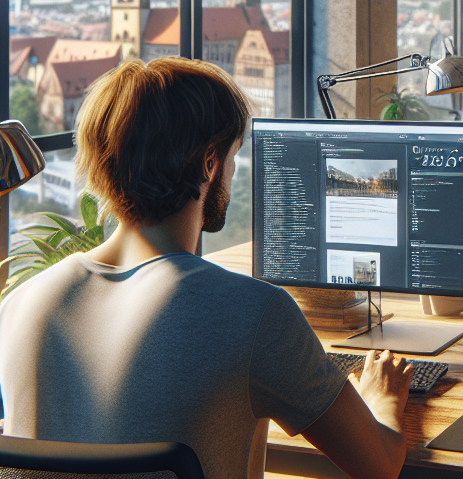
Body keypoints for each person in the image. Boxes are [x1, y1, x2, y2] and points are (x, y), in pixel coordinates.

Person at [0, 58, 412, 479]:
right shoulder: (254, 314)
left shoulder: (19, 305)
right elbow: (378, 464)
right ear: (209, 164)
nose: (232, 172)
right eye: (233, 156)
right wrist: (382, 398)